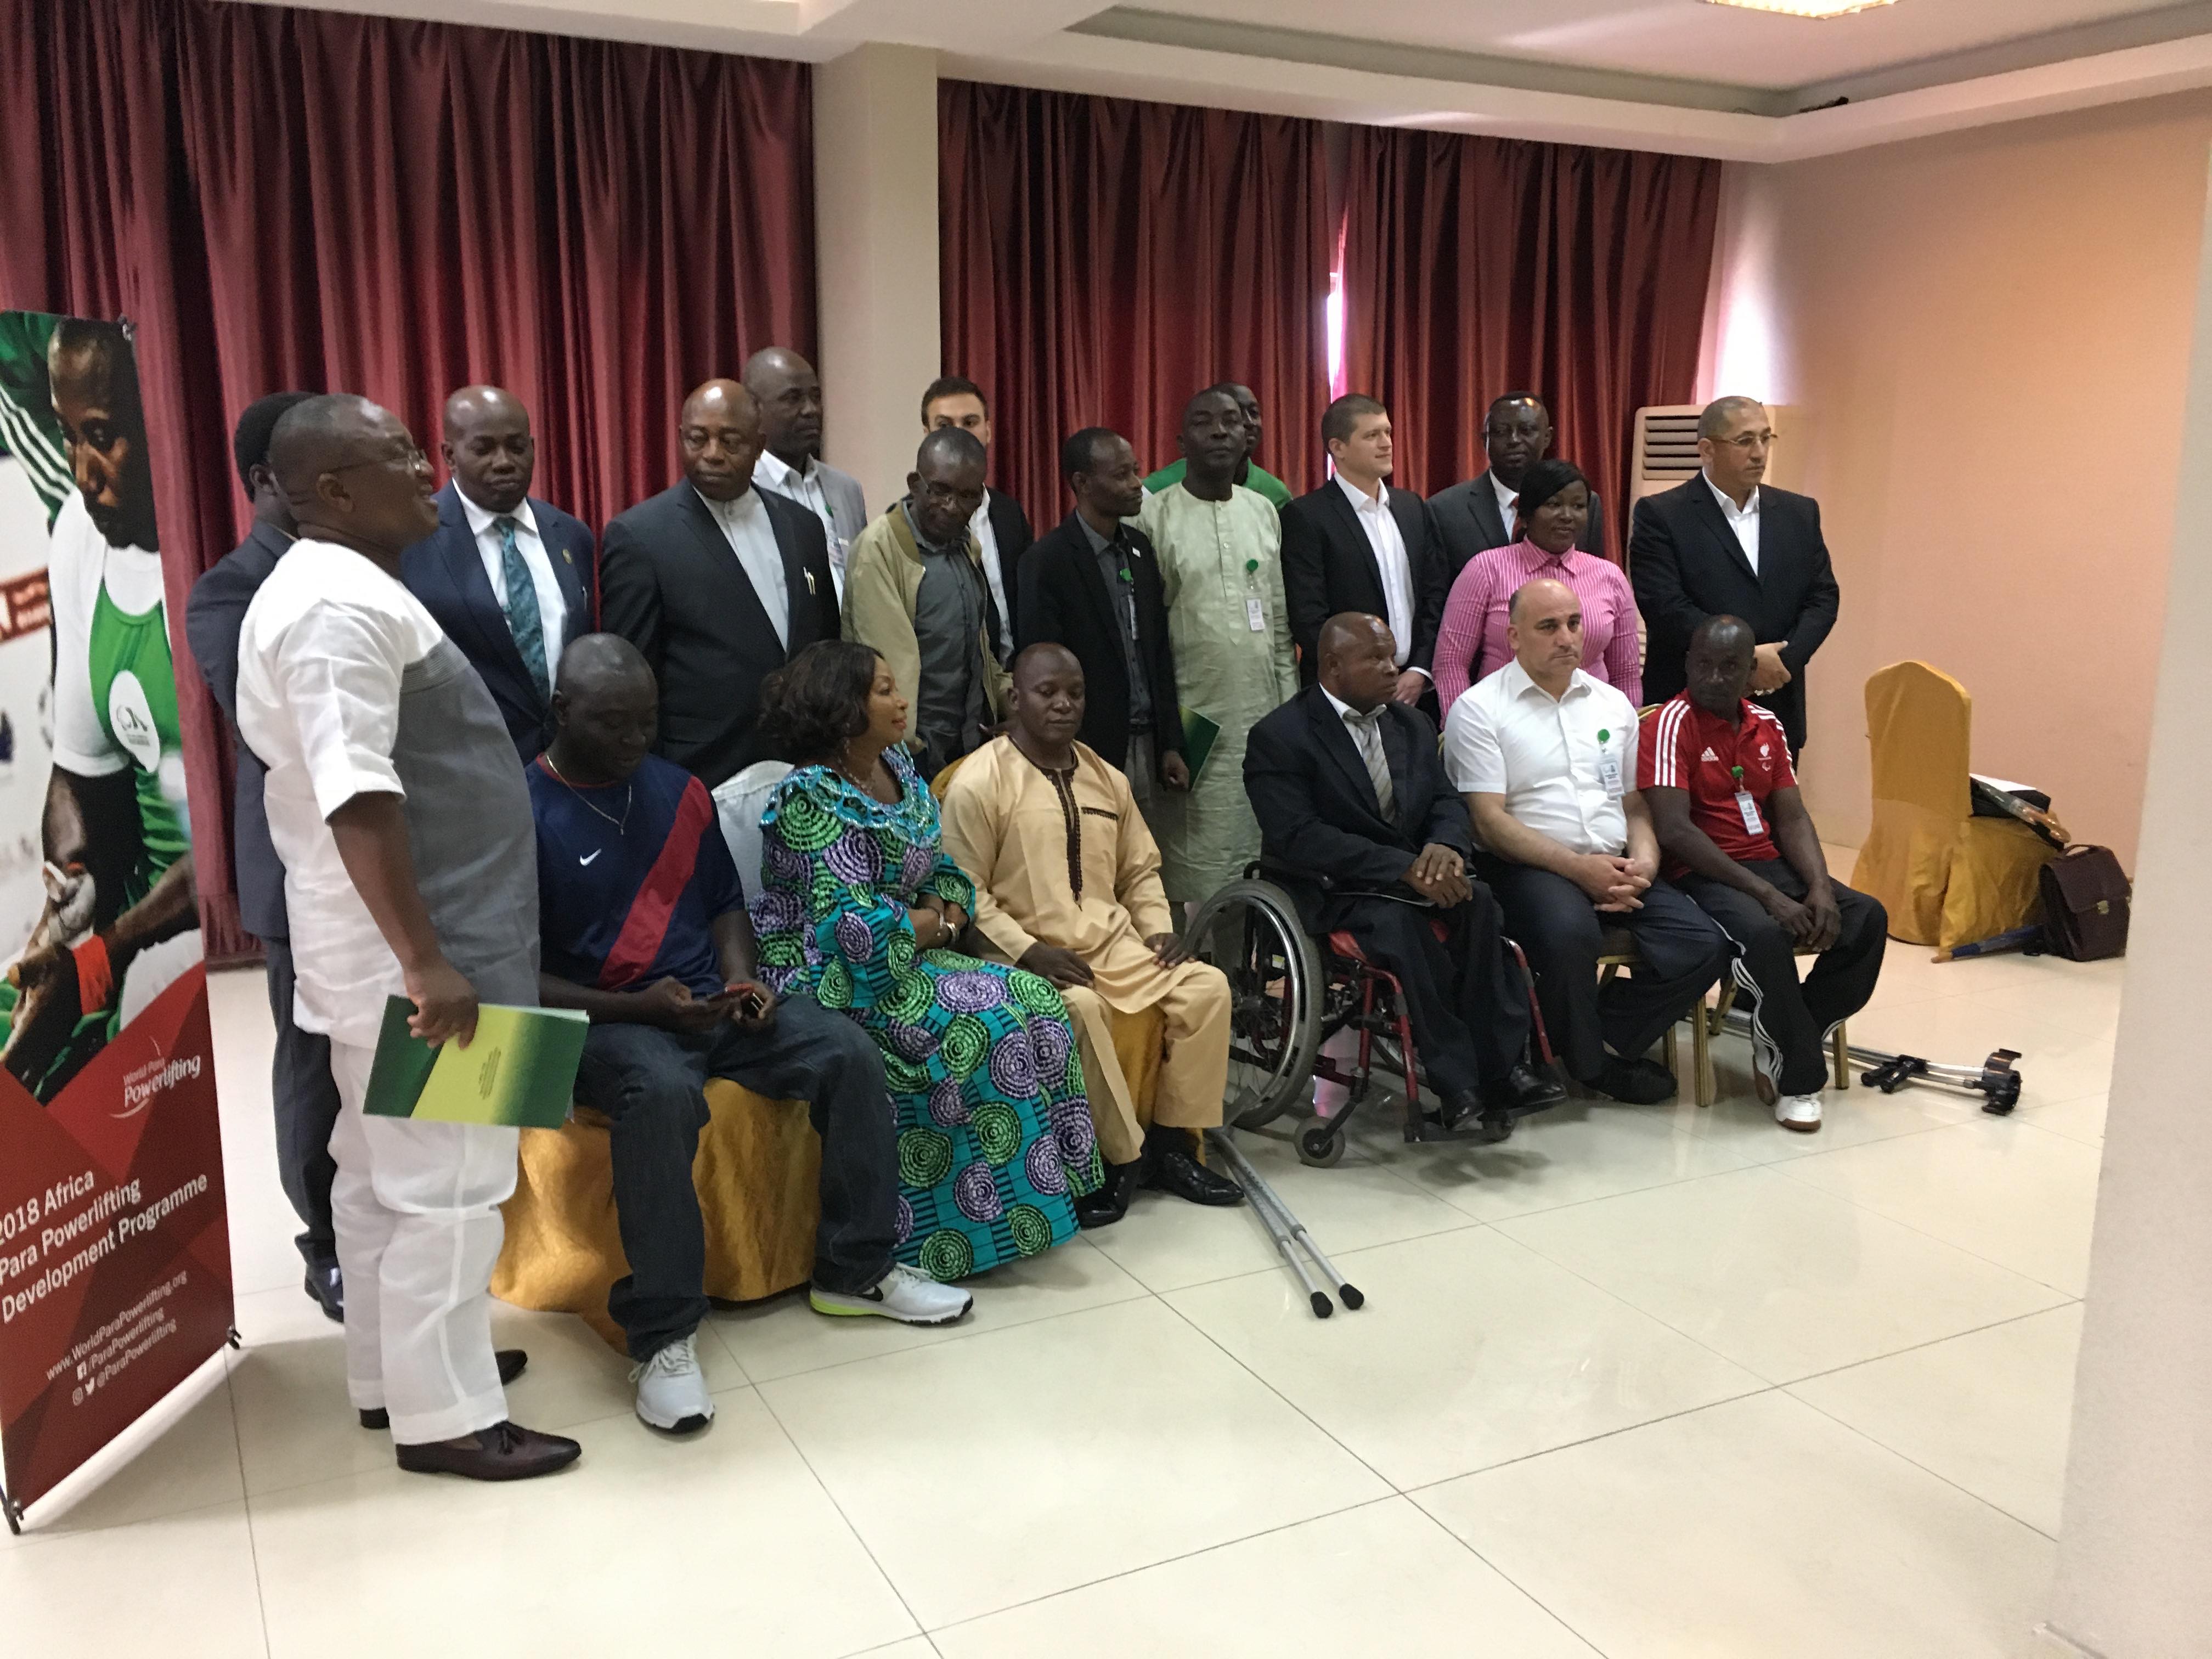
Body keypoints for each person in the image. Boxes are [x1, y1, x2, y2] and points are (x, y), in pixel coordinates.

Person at [237, 394, 574, 1480]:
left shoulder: (332, 586)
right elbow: (359, 798)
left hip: (387, 953)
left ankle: (399, 1378)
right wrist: (430, 964)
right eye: (397, 457)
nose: (425, 469)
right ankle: (450, 1417)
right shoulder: (334, 607)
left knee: (378, 1180)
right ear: (332, 491)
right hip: (425, 960)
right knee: (452, 1188)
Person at [532, 635, 969, 1431]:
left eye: (647, 725)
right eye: (615, 725)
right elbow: (516, 974)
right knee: (661, 1092)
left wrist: (745, 979)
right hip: (607, 1021)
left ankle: (855, 1269)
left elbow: (725, 906)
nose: (635, 742)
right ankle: (663, 1334)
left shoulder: (677, 790)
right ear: (562, 712)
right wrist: (643, 1009)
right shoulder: (522, 810)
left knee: (844, 1048)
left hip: (708, 1002)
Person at [748, 641, 1101, 1281]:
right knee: (983, 1025)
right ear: (844, 706)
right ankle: (940, 1241)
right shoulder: (808, 797)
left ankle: (1038, 1205)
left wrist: (937, 917)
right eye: (883, 689)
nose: (901, 698)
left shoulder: (900, 772)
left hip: (907, 952)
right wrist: (938, 922)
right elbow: (853, 931)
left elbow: (946, 873)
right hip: (827, 975)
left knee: (1040, 1002)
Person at [940, 645, 1242, 1228]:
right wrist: (1028, 950)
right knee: (1078, 1007)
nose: (1063, 704)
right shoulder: (981, 781)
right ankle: (1119, 1161)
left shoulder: (1108, 778)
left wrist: (1158, 932)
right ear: (1016, 698)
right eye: (1047, 692)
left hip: (1116, 946)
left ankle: (1174, 1147)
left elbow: (1140, 871)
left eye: (1074, 694)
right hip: (1026, 953)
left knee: (1205, 988)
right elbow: (964, 889)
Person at [1248, 614, 1563, 1141]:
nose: (1391, 669)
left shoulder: (1411, 725)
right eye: (1374, 658)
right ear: (1332, 666)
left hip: (1420, 873)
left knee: (1480, 901)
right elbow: (1300, 836)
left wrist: (1444, 849)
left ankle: (1505, 1070)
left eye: (1391, 655)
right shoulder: (1280, 737)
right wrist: (1405, 869)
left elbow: (1446, 801)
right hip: (1335, 884)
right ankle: (1454, 1079)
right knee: (1399, 925)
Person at [5, 320, 200, 1103]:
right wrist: (73, 880)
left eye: (104, 438)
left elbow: (236, 845)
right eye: (67, 437)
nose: (82, 474)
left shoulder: (218, 562)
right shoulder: (80, 540)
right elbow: (78, 773)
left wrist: (100, 960)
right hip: (126, 922)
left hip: (204, 927)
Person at [185, 390, 346, 1322]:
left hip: (400, 866)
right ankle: (322, 1239)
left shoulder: (372, 564)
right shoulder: (228, 589)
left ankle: (397, 1234)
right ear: (264, 481)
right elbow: (267, 715)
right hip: (301, 867)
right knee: (315, 1060)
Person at [1446, 578, 1728, 1106]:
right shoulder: (1480, 709)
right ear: (1513, 636)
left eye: (1574, 623)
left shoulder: (1612, 704)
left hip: (1616, 860)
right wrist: (1579, 870)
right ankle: (1593, 1066)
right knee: (1570, 934)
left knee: (1703, 945)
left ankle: (1591, 1036)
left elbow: (1634, 804)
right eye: (1548, 627)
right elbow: (1488, 822)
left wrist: (1643, 861)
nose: (1567, 638)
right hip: (1529, 866)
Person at [1639, 616, 1886, 1131]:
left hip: (1768, 863)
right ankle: (1798, 1079)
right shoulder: (1668, 723)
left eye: (1729, 667)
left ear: (1751, 670)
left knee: (1865, 918)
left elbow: (1792, 816)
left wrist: (1819, 886)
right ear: (1687, 663)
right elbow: (1675, 831)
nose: (1713, 677)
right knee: (1763, 933)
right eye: (1702, 664)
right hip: (1703, 874)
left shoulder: (1768, 726)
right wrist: (1770, 898)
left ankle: (1786, 1030)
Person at [599, 379, 840, 788]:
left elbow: (825, 642)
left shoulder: (803, 527)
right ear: (680, 437)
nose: (712, 454)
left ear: (759, 443)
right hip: (700, 772)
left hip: (804, 767)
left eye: (730, 441)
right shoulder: (640, 536)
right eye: (697, 439)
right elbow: (633, 677)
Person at [1137, 387, 1298, 905]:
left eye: (1231, 421)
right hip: (1190, 717)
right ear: (1182, 441)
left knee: (1251, 858)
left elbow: (1278, 624)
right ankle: (1182, 979)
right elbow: (1148, 637)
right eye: (1205, 422)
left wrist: (1290, 714)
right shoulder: (1153, 518)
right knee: (1180, 860)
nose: (1221, 431)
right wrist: (1165, 732)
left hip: (1259, 713)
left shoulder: (1263, 512)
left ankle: (1236, 980)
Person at [1630, 396, 1840, 757]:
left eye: (1765, 438)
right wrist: (1747, 662)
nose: (1759, 453)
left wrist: (1782, 664)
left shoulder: (1799, 513)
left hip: (1778, 706)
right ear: (1707, 450)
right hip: (1691, 707)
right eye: (1745, 441)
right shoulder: (1662, 515)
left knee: (1777, 813)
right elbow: (1665, 607)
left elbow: (1822, 598)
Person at [400, 386, 595, 761]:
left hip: (568, 765)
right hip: (464, 769)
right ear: (449, 456)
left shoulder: (571, 534)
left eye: (517, 447)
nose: (504, 462)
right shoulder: (412, 541)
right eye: (484, 449)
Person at [1014, 427, 1188, 813]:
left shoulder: (1140, 550)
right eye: (1121, 475)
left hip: (1147, 743)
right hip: (1086, 746)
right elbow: (1041, 668)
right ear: (1083, 483)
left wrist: (1171, 742)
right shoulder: (1047, 561)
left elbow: (1157, 652)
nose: (1136, 485)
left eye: (1136, 471)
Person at [842, 428, 1009, 780]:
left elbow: (979, 651)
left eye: (966, 496)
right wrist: (903, 754)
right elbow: (881, 668)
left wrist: (1011, 700)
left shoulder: (966, 547)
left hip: (967, 744)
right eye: (940, 491)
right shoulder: (880, 549)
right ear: (915, 483)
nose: (951, 506)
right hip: (906, 751)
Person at [1431, 458, 1641, 713]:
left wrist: (1625, 735)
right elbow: (1451, 662)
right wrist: (1463, 728)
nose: (1567, 516)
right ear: (1527, 514)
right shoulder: (1486, 569)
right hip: (1502, 723)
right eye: (1553, 504)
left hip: (1592, 727)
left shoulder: (1610, 576)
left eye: (1578, 506)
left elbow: (1626, 674)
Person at [1280, 394, 1446, 708]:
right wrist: (1369, 677)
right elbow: (1309, 616)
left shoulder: (1412, 507)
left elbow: (1435, 594)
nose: (1386, 444)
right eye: (1372, 436)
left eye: (1387, 432)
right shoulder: (1306, 516)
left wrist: (1421, 669)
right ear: (1337, 448)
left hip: (1415, 689)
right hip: (1343, 693)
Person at [1428, 393, 1606, 579]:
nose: (1513, 440)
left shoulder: (1584, 504)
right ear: (1485, 440)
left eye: (1526, 430)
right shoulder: (1444, 510)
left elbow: (1594, 579)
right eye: (1501, 432)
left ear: (1547, 437)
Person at [922, 375, 1032, 663]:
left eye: (970, 423)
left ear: (988, 431)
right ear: (927, 434)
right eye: (944, 426)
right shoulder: (909, 523)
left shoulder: (1009, 513)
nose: (958, 434)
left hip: (1016, 683)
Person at [744, 347, 867, 592]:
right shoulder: (744, 491)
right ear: (754, 409)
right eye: (793, 398)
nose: (811, 410)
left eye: (816, 397)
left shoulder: (846, 489)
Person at [1144, 380, 1291, 509]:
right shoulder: (1158, 487)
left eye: (1254, 412)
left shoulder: (1275, 494)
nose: (1249, 422)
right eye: (1236, 414)